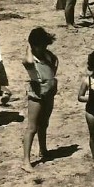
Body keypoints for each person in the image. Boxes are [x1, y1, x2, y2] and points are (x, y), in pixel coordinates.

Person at [21, 27, 58, 172]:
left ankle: (43, 149)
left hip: (48, 92)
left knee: (44, 123)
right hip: (36, 94)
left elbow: (54, 63)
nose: (41, 48)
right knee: (32, 127)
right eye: (38, 45)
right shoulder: (30, 59)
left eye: (43, 45)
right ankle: (26, 160)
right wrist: (29, 47)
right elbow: (28, 61)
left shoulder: (47, 55)